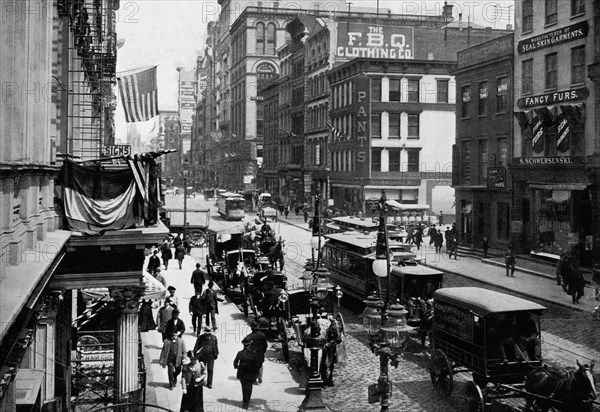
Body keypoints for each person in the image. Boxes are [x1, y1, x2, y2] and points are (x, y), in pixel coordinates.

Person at [233, 337, 262, 409]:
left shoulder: (240, 353)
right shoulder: (254, 353)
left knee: (244, 388)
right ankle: (247, 401)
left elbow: (235, 362)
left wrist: (236, 367)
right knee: (249, 388)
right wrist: (258, 373)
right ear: (250, 344)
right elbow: (258, 364)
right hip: (251, 373)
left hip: (242, 373)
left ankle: (245, 402)